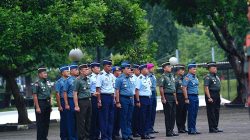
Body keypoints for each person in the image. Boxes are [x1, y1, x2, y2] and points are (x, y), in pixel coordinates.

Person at [96, 60, 116, 140]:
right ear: (104, 66)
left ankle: (109, 136)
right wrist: (99, 100)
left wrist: (114, 98)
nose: (110, 68)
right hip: (104, 97)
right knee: (104, 118)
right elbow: (98, 88)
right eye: (108, 66)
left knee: (111, 118)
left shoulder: (111, 75)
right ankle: (104, 137)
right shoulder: (100, 75)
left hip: (111, 97)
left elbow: (113, 87)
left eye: (111, 66)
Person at [159, 62, 179, 137]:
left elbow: (173, 89)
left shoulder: (172, 76)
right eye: (168, 66)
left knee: (173, 114)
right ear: (164, 68)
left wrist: (176, 99)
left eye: (170, 66)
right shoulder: (163, 77)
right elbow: (161, 88)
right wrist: (163, 98)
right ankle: (168, 131)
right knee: (168, 115)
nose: (170, 67)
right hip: (167, 96)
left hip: (173, 96)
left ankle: (172, 130)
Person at [32, 67, 52, 140]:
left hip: (47, 103)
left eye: (46, 73)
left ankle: (44, 137)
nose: (46, 74)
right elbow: (35, 95)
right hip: (40, 103)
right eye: (44, 73)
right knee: (40, 124)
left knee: (46, 123)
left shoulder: (48, 82)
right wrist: (37, 107)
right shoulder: (36, 83)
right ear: (39, 74)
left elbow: (49, 94)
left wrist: (50, 105)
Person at [73, 64, 92, 139]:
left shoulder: (87, 79)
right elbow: (75, 93)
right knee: (81, 121)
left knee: (88, 120)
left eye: (87, 69)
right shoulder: (77, 80)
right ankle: (81, 138)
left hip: (88, 101)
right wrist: (76, 105)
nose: (87, 70)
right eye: (86, 69)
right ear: (81, 71)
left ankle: (87, 137)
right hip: (82, 102)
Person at [135, 64, 154, 139]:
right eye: (146, 69)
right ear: (142, 70)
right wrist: (138, 101)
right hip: (142, 99)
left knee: (148, 116)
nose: (147, 70)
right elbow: (137, 90)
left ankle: (147, 133)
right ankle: (143, 134)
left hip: (149, 98)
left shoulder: (148, 78)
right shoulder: (139, 78)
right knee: (143, 117)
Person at [204, 62, 223, 133]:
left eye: (216, 68)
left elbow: (218, 87)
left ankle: (215, 126)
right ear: (209, 69)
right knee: (211, 112)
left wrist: (219, 96)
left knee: (216, 111)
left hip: (217, 95)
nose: (215, 69)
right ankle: (211, 128)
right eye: (213, 68)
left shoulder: (216, 77)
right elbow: (206, 88)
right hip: (211, 95)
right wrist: (209, 97)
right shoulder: (208, 77)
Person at [182, 63, 201, 135]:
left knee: (195, 113)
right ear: (189, 69)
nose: (195, 70)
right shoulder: (187, 77)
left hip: (196, 96)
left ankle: (194, 128)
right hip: (190, 96)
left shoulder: (195, 77)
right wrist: (186, 98)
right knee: (191, 113)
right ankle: (191, 129)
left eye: (195, 69)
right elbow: (184, 88)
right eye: (193, 69)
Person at [63, 63, 79, 140]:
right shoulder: (68, 80)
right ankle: (71, 137)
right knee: (71, 121)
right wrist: (66, 104)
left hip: (78, 100)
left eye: (77, 69)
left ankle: (76, 136)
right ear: (71, 71)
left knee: (78, 120)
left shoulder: (79, 79)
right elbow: (65, 92)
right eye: (75, 70)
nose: (77, 71)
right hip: (71, 101)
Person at [55, 65, 70, 140]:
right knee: (64, 120)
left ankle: (69, 136)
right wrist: (59, 105)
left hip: (69, 101)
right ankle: (63, 137)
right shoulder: (59, 82)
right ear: (62, 73)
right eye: (66, 71)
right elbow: (57, 94)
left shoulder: (69, 80)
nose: (68, 72)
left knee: (69, 120)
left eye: (68, 71)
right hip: (63, 101)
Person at [89, 62, 101, 140]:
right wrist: (92, 94)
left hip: (100, 97)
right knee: (93, 117)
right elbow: (87, 89)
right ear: (92, 69)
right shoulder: (90, 77)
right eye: (97, 68)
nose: (99, 69)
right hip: (93, 98)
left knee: (99, 118)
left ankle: (97, 134)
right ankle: (92, 135)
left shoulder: (100, 76)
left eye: (99, 68)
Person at [174, 64, 188, 133]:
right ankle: (179, 128)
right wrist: (176, 100)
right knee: (179, 112)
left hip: (184, 96)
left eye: (183, 70)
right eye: (181, 70)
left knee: (184, 112)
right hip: (179, 96)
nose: (183, 71)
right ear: (178, 71)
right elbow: (175, 91)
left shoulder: (185, 78)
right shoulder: (176, 79)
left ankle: (183, 127)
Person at [147, 63, 158, 134]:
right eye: (151, 68)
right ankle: (148, 128)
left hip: (154, 94)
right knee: (149, 111)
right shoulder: (147, 77)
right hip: (150, 94)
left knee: (153, 111)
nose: (153, 69)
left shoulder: (153, 76)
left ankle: (151, 127)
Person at [112, 66, 122, 139]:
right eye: (116, 71)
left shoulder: (120, 79)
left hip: (120, 98)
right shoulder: (112, 79)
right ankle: (113, 133)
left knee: (119, 116)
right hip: (113, 98)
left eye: (119, 71)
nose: (118, 72)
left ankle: (117, 132)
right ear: (113, 72)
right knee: (113, 117)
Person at [131, 64, 141, 137]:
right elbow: (135, 89)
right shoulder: (132, 78)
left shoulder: (138, 77)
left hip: (138, 96)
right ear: (134, 70)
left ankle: (137, 130)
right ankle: (134, 131)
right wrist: (137, 100)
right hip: (134, 96)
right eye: (138, 70)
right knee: (134, 115)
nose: (139, 71)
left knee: (138, 115)